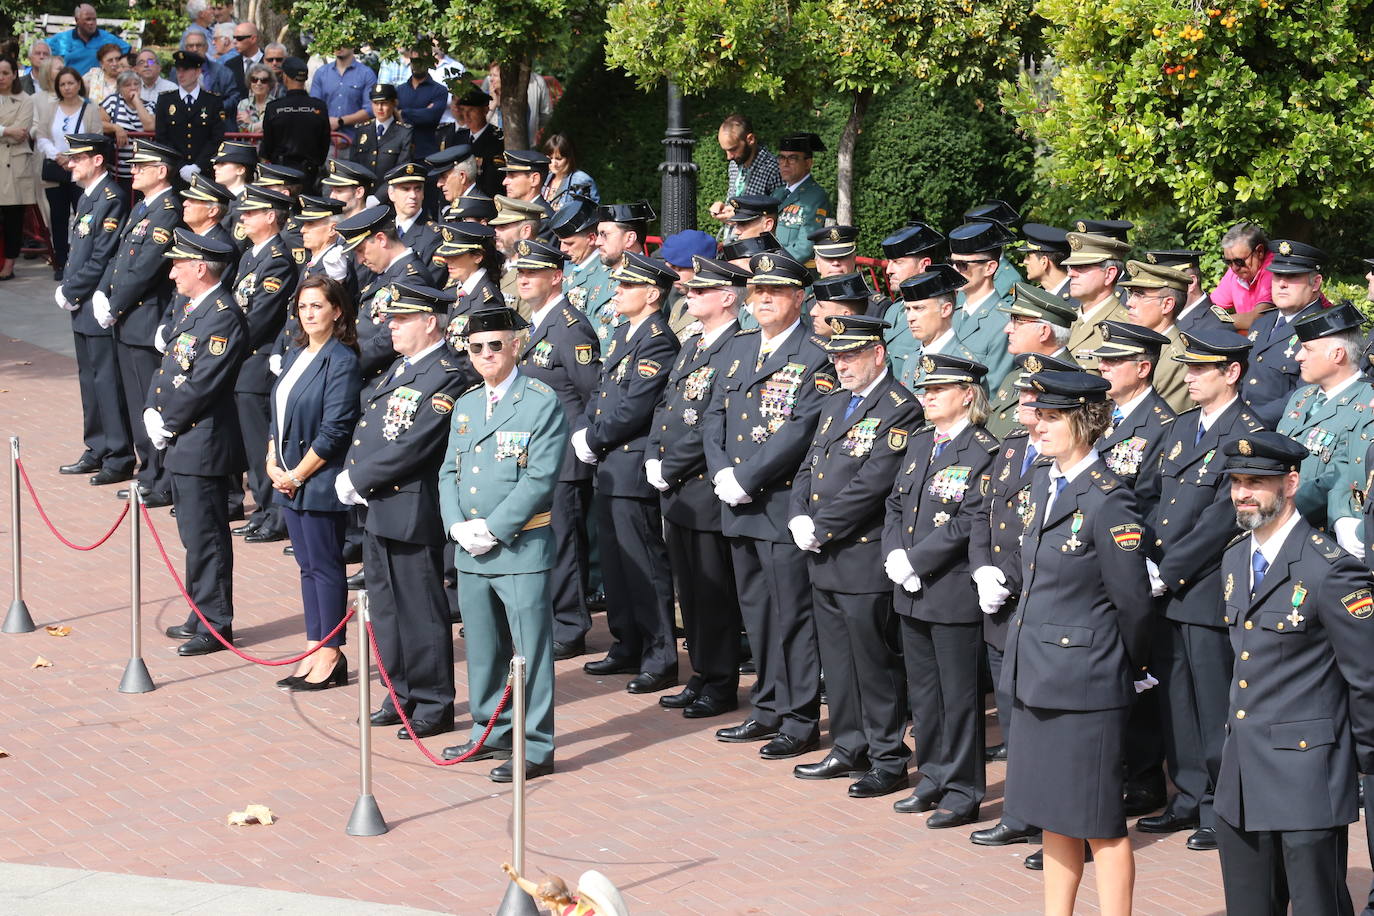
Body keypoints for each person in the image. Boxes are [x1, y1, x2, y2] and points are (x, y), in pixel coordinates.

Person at [1001, 369, 1153, 916]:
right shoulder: (1046, 481)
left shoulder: (1109, 499)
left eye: (1051, 418)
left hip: (1086, 684)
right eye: (1037, 415)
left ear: (1084, 423)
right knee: (1053, 814)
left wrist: (1128, 666)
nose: (1037, 426)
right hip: (1037, 675)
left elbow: (1132, 602)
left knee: (1099, 823)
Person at [1213, 431, 1374, 916]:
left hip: (1306, 777)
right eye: (1237, 482)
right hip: (1241, 777)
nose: (1243, 493)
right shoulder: (1234, 558)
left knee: (1316, 906)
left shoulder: (1331, 570)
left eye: (1256, 482)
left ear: (1290, 483)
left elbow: (1366, 677)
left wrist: (1363, 763)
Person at [703, 250, 836, 760]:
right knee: (757, 613)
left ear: (799, 298)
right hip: (736, 503)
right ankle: (767, 707)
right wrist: (722, 472)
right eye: (758, 291)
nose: (764, 300)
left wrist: (747, 477)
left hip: (779, 503)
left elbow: (802, 429)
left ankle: (799, 718)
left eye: (775, 291)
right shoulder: (738, 348)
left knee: (792, 615)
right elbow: (714, 415)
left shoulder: (815, 355)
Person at [1142, 329, 1264, 853]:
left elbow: (1224, 517)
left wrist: (1167, 570)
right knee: (1175, 700)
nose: (1188, 377)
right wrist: (1142, 554)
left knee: (1214, 704)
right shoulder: (1181, 426)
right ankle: (1189, 795)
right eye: (1187, 367)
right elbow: (1150, 495)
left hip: (1207, 586)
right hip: (1165, 583)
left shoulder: (1248, 432)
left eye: (1200, 368)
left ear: (1231, 372)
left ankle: (1220, 807)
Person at [787, 314, 917, 797]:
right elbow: (809, 464)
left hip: (860, 555)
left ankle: (888, 757)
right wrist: (798, 514)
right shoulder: (836, 401)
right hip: (824, 556)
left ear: (878, 354)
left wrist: (821, 527)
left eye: (850, 356)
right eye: (836, 357)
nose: (840, 365)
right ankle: (848, 746)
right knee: (838, 663)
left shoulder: (899, 408)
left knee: (874, 663)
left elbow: (874, 482)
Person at [336, 282, 469, 739]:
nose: (391, 326)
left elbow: (414, 444)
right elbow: (373, 428)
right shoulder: (403, 367)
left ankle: (432, 701)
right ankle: (400, 692)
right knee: (387, 608)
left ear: (430, 323)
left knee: (420, 609)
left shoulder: (446, 375)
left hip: (412, 506)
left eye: (402, 319)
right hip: (380, 504)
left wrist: (358, 477)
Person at [439, 306, 566, 779]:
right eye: (477, 347)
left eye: (496, 344)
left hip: (518, 548)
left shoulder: (539, 401)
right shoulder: (468, 403)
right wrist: (455, 525)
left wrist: (493, 528)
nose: (486, 354)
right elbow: (448, 471)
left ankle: (535, 746)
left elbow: (540, 478)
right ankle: (490, 732)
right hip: (470, 550)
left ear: (516, 345)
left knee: (529, 653)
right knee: (484, 650)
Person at [968, 354, 1078, 853]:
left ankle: (1054, 821)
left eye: (1037, 397)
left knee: (1045, 722)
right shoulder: (1013, 446)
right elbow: (983, 511)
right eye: (1026, 394)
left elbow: (1043, 532)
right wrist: (982, 568)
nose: (1025, 403)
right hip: (999, 599)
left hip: (1036, 601)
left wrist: (1007, 577)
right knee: (1012, 715)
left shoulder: (1070, 459)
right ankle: (1019, 811)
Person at [884, 353, 999, 825]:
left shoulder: (983, 450)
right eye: (925, 390)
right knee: (925, 695)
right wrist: (895, 553)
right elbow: (895, 504)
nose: (927, 397)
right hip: (911, 590)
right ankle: (931, 776)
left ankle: (963, 789)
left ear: (967, 395)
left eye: (938, 390)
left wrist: (916, 560)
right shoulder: (920, 442)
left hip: (950, 591)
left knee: (959, 697)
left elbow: (969, 519)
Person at [571, 253, 681, 692]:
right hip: (610, 465)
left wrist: (594, 438)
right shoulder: (623, 332)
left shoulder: (658, 341)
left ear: (652, 294)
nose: (617, 292)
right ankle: (627, 642)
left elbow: (636, 406)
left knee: (644, 565)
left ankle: (660, 654)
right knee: (617, 564)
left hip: (630, 463)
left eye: (627, 286)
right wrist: (585, 430)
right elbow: (601, 392)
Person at [646, 256, 749, 718]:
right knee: (688, 590)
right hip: (676, 488)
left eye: (700, 290)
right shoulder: (692, 344)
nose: (690, 294)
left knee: (712, 593)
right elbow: (666, 406)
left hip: (703, 485)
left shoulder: (737, 347)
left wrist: (671, 465)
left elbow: (714, 422)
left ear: (727, 297)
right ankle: (701, 673)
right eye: (691, 289)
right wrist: (653, 454)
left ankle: (721, 682)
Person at [146, 230, 249, 655]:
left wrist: (168, 421)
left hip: (202, 441)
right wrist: (152, 408)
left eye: (178, 265)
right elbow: (170, 366)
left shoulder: (222, 315)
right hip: (185, 439)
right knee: (193, 532)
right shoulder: (196, 309)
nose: (172, 274)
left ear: (200, 268)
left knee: (207, 535)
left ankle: (216, 623)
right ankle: (200, 610)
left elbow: (204, 381)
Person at [267, 276, 361, 690]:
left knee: (325, 566)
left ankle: (331, 652)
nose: (308, 314)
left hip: (317, 479)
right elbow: (278, 415)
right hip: (289, 476)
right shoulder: (296, 353)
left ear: (336, 311)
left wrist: (297, 474)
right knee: (307, 567)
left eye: (317, 306)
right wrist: (271, 461)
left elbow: (335, 430)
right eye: (303, 307)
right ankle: (313, 645)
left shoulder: (341, 360)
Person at [513, 239, 602, 657]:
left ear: (556, 277)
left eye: (533, 272)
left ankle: (569, 625)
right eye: (521, 272)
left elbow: (592, 392)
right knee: (540, 539)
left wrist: (584, 443)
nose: (523, 279)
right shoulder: (534, 324)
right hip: (536, 454)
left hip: (564, 456)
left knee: (564, 542)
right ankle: (547, 618)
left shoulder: (569, 326)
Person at [94, 140, 182, 507]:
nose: (134, 171)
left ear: (161, 171)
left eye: (141, 166)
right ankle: (148, 472)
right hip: (129, 318)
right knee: (136, 403)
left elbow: (147, 267)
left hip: (145, 317)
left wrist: (115, 304)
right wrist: (102, 292)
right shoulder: (144, 207)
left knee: (152, 404)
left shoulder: (167, 209)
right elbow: (119, 257)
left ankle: (163, 479)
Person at [53, 133, 133, 485]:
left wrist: (72, 288)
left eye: (78, 158)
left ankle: (118, 454)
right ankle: (97, 446)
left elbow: (103, 256)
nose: (71, 163)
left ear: (97, 160)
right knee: (89, 379)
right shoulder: (89, 196)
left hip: (96, 300)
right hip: (81, 303)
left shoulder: (111, 198)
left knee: (106, 380)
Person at [229, 184, 299, 543]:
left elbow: (258, 319)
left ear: (271, 216)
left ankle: (276, 514)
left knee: (262, 446)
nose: (243, 218)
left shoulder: (277, 259)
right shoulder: (252, 255)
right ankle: (262, 509)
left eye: (251, 213)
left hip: (256, 361)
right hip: (244, 361)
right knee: (252, 445)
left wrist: (227, 344)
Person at [1241, 239, 1330, 429]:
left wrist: (1247, 421)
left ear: (1315, 283)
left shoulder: (1324, 330)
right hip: (1240, 424)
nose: (1281, 284)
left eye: (1292, 276)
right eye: (1277, 275)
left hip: (1280, 432)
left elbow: (1307, 394)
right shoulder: (1263, 322)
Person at [34, 66, 102, 279]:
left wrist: (75, 158)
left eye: (71, 83)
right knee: (58, 218)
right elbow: (42, 136)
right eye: (62, 84)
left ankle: (82, 262)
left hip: (81, 172)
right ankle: (61, 263)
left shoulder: (90, 108)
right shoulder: (51, 108)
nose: (67, 87)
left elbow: (96, 137)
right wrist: (58, 156)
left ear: (79, 84)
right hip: (56, 170)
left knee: (83, 218)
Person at [985, 283, 1077, 438]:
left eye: (1017, 321)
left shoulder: (1071, 383)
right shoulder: (1015, 375)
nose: (1007, 329)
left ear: (1043, 332)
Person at [948, 220, 1016, 388]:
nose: (955, 270)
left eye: (962, 265)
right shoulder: (952, 314)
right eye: (952, 263)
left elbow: (995, 390)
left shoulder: (1004, 323)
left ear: (989, 268)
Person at [1118, 260, 1192, 412]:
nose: (1129, 302)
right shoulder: (1134, 343)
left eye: (1140, 295)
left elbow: (1163, 420)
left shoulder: (1178, 360)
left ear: (1167, 305)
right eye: (1131, 294)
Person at [893, 266, 979, 391]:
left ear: (945, 310)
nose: (910, 318)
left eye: (919, 308)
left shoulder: (962, 363)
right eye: (908, 309)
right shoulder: (911, 360)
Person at [878, 222, 944, 374]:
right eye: (889, 262)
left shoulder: (939, 313)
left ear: (924, 265)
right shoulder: (894, 310)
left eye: (897, 262)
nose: (888, 270)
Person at [259, 57, 331, 193]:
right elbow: (324, 144)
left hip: (280, 173)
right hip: (310, 173)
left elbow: (267, 145)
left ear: (285, 77)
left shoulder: (274, 107)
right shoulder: (319, 106)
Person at [154, 51, 226, 185]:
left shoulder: (213, 101)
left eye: (186, 70)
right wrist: (180, 166)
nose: (180, 74)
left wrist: (198, 165)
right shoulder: (166, 100)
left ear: (198, 72)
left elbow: (216, 138)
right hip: (174, 172)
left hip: (204, 172)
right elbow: (162, 138)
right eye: (178, 70)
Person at [1063, 231, 1132, 365]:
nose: (1071, 273)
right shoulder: (1064, 320)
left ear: (1109, 274)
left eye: (1081, 267)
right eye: (1070, 267)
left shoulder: (1125, 327)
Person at [437, 221, 503, 345]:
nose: (447, 261)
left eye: (455, 255)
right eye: (446, 255)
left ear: (477, 257)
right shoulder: (453, 291)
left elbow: (485, 351)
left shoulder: (488, 301)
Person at [708, 114, 783, 223]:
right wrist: (723, 208)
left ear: (750, 139)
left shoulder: (774, 169)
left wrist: (740, 216)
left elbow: (779, 215)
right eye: (725, 150)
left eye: (733, 149)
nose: (729, 157)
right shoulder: (734, 165)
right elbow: (735, 206)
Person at [770, 133, 830, 262]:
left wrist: (773, 262)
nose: (785, 164)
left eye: (792, 158)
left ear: (808, 163)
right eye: (781, 158)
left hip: (794, 268)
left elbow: (804, 248)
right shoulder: (778, 193)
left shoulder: (815, 197)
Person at [0, 57, 34, 278]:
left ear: (14, 74)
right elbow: (12, 133)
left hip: (14, 165)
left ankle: (9, 265)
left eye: (5, 73)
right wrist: (6, 130)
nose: (1, 77)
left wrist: (7, 132)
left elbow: (21, 132)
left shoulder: (25, 100)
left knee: (13, 219)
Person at [384, 162, 443, 284]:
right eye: (406, 189)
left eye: (418, 189)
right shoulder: (384, 230)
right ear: (391, 194)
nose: (413, 195)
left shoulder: (435, 236)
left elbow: (429, 284)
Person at [349, 84, 414, 187]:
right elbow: (353, 166)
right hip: (362, 191)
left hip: (390, 192)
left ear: (394, 103)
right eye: (375, 103)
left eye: (384, 103)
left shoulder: (404, 132)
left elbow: (401, 170)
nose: (379, 108)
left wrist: (379, 195)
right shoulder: (361, 130)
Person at [310, 45, 375, 143]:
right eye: (336, 43)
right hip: (325, 142)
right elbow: (314, 107)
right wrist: (326, 122)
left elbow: (370, 110)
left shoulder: (366, 73)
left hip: (356, 142)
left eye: (344, 43)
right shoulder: (321, 73)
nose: (339, 47)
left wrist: (340, 121)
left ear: (353, 45)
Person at [1211, 221, 1274, 321]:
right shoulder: (1236, 271)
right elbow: (1210, 308)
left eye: (1239, 261)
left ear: (1259, 252)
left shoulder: (1273, 269)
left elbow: (1258, 318)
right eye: (1228, 262)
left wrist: (1217, 322)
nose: (1234, 268)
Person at [49, 4, 129, 77]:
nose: (92, 23)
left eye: (94, 19)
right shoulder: (61, 39)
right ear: (77, 20)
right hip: (69, 84)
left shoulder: (107, 38)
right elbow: (42, 52)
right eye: (88, 19)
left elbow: (130, 52)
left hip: (97, 84)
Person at [179, 31, 238, 114]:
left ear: (206, 47)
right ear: (186, 49)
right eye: (191, 46)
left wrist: (215, 108)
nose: (195, 49)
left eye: (199, 45)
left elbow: (234, 97)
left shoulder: (223, 71)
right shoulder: (177, 72)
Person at [541, 133, 598, 209]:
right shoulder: (545, 177)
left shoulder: (582, 180)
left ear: (569, 158)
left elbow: (592, 211)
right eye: (550, 158)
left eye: (558, 159)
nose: (553, 163)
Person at [1019, 223, 1074, 300]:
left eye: (1029, 256)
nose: (1025, 261)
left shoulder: (1077, 298)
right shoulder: (1037, 295)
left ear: (1044, 262)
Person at [223, 21, 262, 97]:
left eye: (239, 38)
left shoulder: (270, 61)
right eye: (234, 38)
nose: (234, 42)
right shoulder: (230, 65)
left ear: (253, 39)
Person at [81, 42, 124, 106]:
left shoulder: (127, 77)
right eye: (110, 60)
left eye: (118, 59)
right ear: (101, 64)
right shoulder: (94, 74)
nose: (115, 63)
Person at [235, 63, 274, 131]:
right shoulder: (243, 104)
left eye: (264, 80)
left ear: (270, 84)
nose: (258, 83)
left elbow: (272, 130)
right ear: (250, 83)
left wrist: (250, 122)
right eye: (254, 80)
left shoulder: (275, 104)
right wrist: (260, 126)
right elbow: (242, 129)